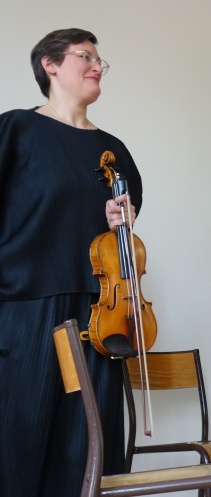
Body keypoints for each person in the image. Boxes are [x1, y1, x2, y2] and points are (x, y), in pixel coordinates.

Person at [0, 28, 142, 497]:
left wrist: (122, 217)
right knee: (19, 438)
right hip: (28, 306)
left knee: (87, 446)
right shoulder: (16, 129)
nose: (98, 66)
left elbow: (122, 233)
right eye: (86, 56)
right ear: (51, 65)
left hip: (99, 312)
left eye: (101, 59)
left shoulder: (113, 150)